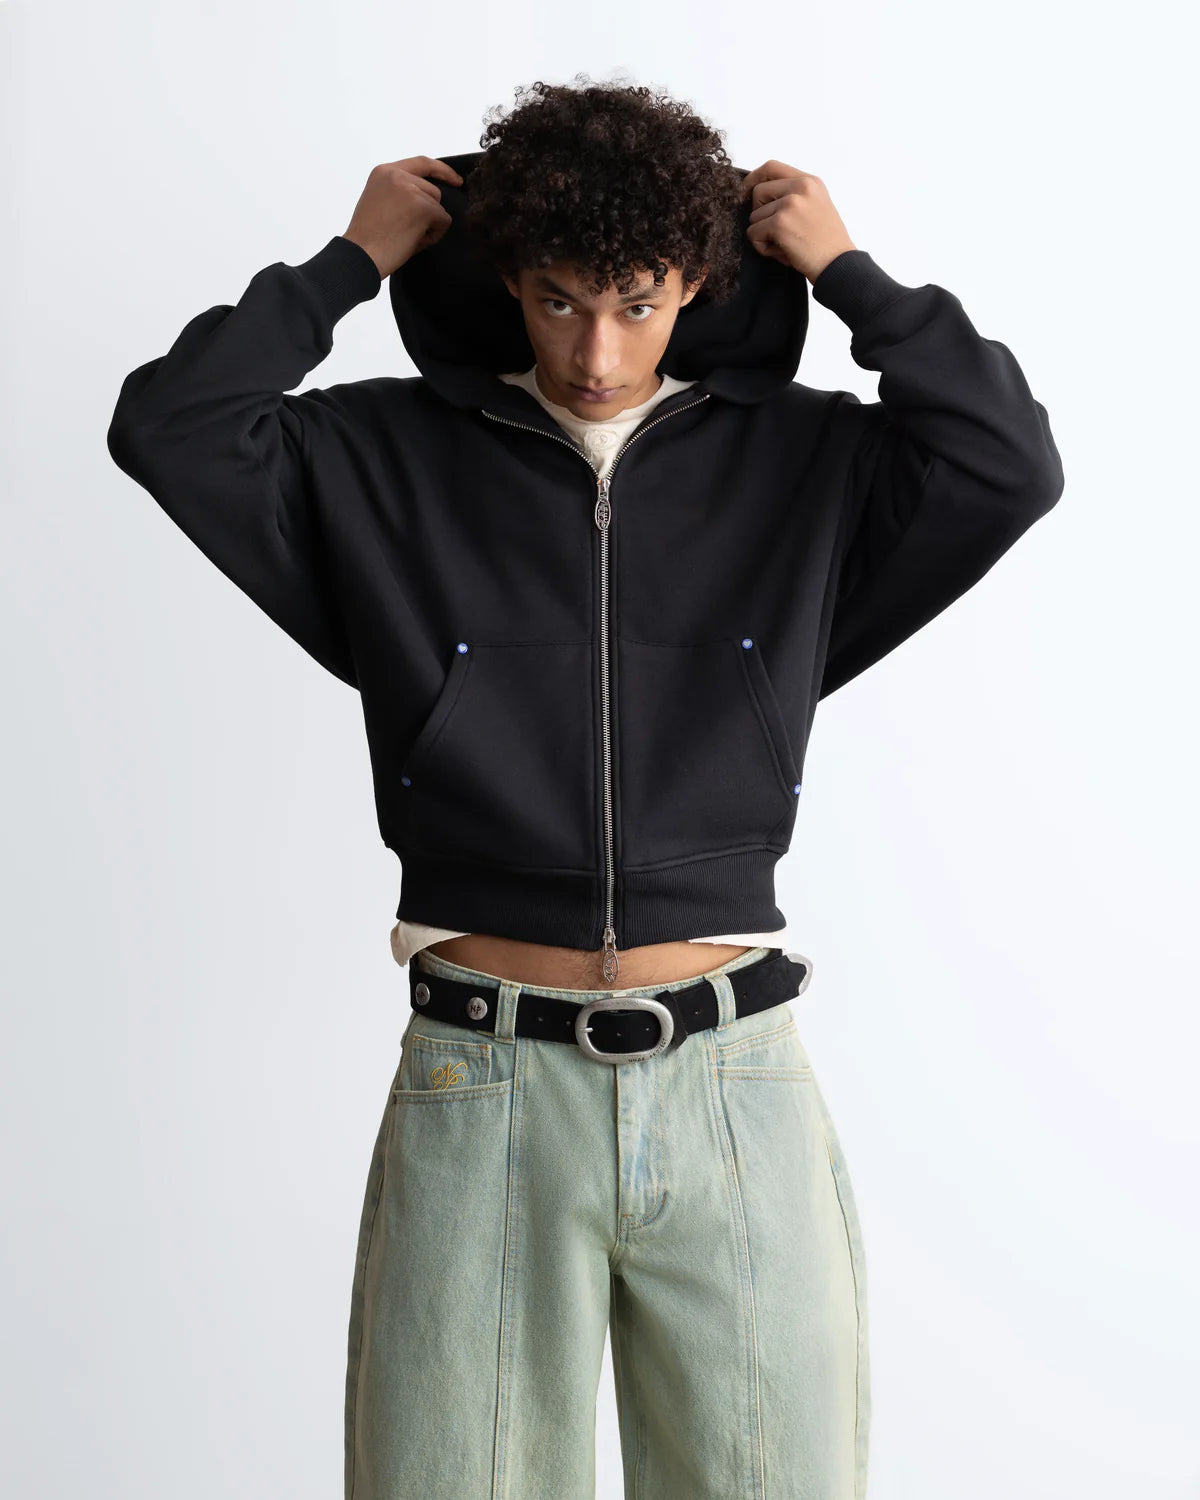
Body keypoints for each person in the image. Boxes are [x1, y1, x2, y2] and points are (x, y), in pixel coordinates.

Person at [107, 76, 1063, 1500]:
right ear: (509, 284)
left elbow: (1008, 462)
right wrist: (348, 262)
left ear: (698, 289)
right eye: (558, 301)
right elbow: (168, 428)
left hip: (735, 1080)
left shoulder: (806, 463)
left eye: (637, 302)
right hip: (482, 1079)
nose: (597, 351)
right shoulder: (376, 456)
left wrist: (853, 276)